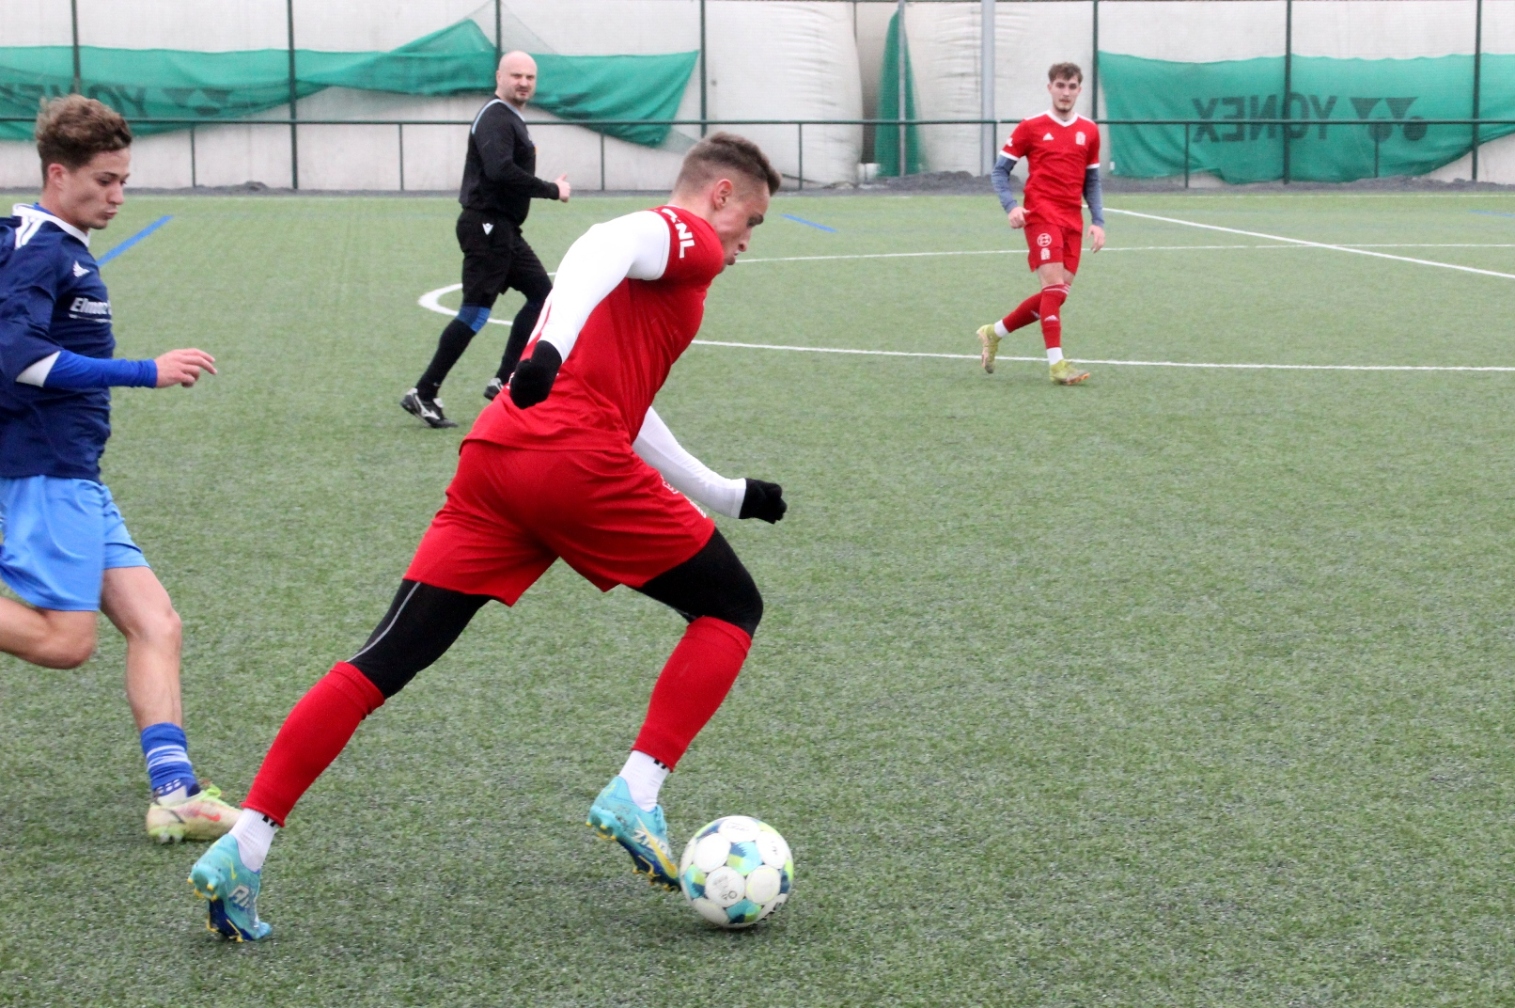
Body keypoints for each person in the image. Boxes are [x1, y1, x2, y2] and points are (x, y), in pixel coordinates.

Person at [189, 133, 787, 941]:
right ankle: (637, 791)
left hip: (499, 457)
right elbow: (605, 241)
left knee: (381, 661)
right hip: (572, 463)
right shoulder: (687, 239)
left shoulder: (647, 285)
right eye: (750, 220)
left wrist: (722, 491)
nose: (745, 242)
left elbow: (626, 401)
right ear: (719, 196)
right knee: (730, 608)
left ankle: (247, 843)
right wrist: (548, 346)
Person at [0, 95, 235, 843]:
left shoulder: (59, 244)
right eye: (105, 181)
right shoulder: (40, 247)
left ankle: (175, 793)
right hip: (41, 472)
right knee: (66, 643)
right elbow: (18, 358)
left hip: (75, 473)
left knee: (156, 623)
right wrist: (144, 371)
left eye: (123, 180)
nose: (118, 196)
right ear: (58, 174)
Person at [401, 50, 571, 428]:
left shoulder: (509, 117)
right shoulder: (496, 116)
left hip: (503, 228)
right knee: (475, 313)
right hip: (486, 227)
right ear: (499, 77)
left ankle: (504, 379)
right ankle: (424, 392)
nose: (523, 82)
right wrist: (551, 189)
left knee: (543, 297)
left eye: (530, 77)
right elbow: (499, 170)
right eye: (516, 75)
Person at [977, 62, 1106, 385]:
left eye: (1072, 86)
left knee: (1057, 294)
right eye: (1060, 85)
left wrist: (1098, 221)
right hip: (1041, 215)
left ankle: (994, 332)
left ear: (1079, 90)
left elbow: (1092, 181)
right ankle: (1057, 364)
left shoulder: (1089, 131)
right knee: (1052, 288)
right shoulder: (1031, 126)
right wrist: (1011, 206)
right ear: (1050, 88)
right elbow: (999, 171)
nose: (1066, 92)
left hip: (1073, 219)